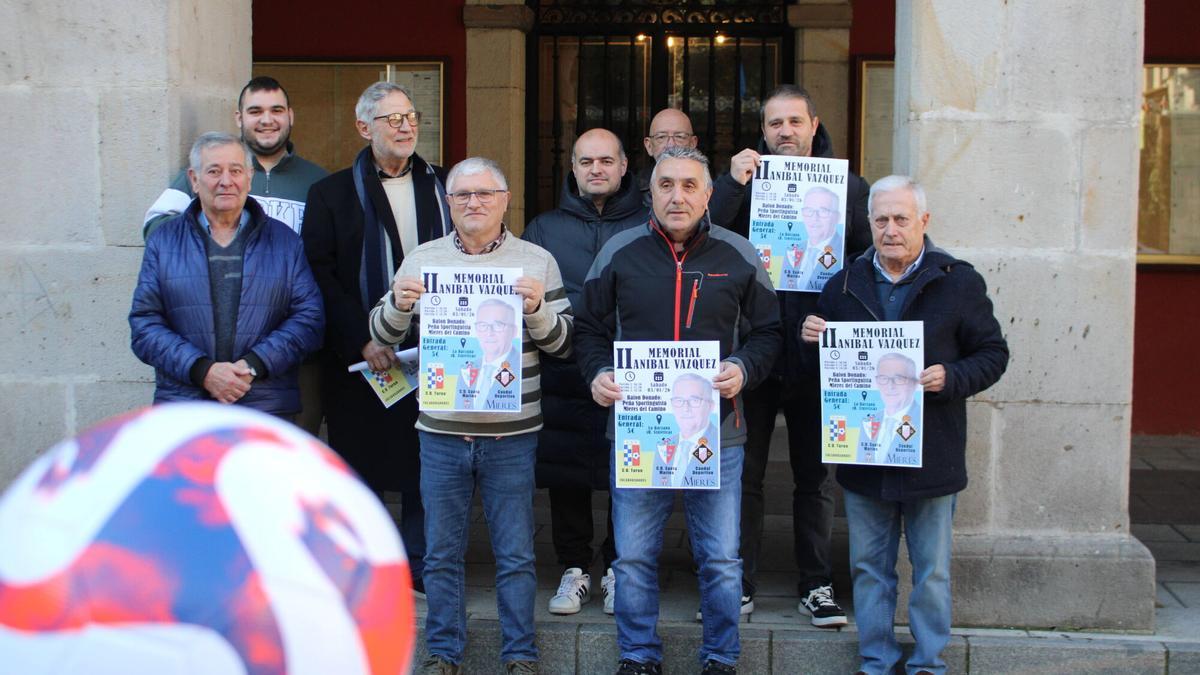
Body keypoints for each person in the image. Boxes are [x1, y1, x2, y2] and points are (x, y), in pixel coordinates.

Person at [575, 145, 781, 675]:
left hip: (719, 433)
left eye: (690, 185)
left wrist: (744, 367)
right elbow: (589, 329)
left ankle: (721, 657)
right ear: (650, 193)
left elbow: (769, 332)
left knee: (721, 558)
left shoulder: (739, 253)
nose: (677, 196)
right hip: (639, 431)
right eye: (666, 185)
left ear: (709, 194)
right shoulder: (620, 251)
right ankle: (638, 655)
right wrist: (597, 372)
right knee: (633, 557)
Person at [369, 157, 573, 675]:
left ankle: (520, 654)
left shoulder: (536, 261)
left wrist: (538, 311)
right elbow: (382, 334)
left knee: (515, 554)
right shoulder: (423, 258)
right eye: (462, 195)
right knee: (440, 553)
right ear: (448, 203)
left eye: (485, 193)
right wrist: (398, 305)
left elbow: (565, 345)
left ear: (506, 201)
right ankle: (443, 653)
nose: (474, 203)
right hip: (441, 433)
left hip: (512, 435)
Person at [800, 175, 1009, 675]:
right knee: (869, 569)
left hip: (931, 455)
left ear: (923, 221)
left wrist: (952, 376)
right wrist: (809, 341)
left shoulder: (958, 281)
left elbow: (993, 354)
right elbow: (818, 377)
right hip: (865, 455)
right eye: (881, 220)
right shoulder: (842, 285)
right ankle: (876, 660)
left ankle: (929, 665)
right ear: (868, 223)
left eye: (901, 219)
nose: (890, 230)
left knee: (931, 572)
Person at [708, 84, 871, 624]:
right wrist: (731, 184)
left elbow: (866, 266)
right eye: (775, 123)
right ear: (763, 130)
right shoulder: (745, 182)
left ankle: (816, 584)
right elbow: (709, 237)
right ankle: (740, 581)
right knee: (745, 474)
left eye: (795, 121)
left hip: (817, 353)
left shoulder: (848, 187)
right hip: (754, 349)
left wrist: (840, 324)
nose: (785, 131)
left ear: (813, 124)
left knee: (815, 478)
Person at [301, 81, 452, 599]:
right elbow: (320, 276)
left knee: (426, 460)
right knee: (363, 461)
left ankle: (420, 562)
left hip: (435, 349)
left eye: (411, 116)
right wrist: (362, 339)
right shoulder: (331, 194)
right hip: (362, 356)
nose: (406, 126)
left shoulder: (445, 185)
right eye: (393, 119)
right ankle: (369, 562)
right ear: (364, 128)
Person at [142, 76, 330, 435]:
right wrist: (204, 247)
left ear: (290, 115)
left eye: (276, 110)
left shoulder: (317, 182)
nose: (267, 119)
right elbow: (156, 225)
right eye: (255, 111)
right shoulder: (208, 171)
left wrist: (256, 363)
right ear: (239, 118)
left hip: (282, 364)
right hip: (194, 377)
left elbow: (316, 290)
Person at [523, 128, 647, 617]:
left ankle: (618, 567)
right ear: (572, 169)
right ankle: (574, 567)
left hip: (630, 368)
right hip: (564, 365)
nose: (597, 169)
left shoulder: (648, 220)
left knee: (627, 469)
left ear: (623, 167)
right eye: (586, 162)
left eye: (606, 161)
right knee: (566, 471)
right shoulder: (544, 228)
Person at [653, 374, 720, 489]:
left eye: (694, 400)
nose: (685, 408)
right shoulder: (663, 446)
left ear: (711, 406)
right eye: (679, 400)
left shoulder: (719, 444)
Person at [454, 299, 522, 410]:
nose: (489, 333)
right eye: (482, 325)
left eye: (498, 325)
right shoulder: (467, 370)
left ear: (514, 331)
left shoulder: (521, 366)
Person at [781, 186, 844, 291]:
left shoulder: (844, 252)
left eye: (823, 211)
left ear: (837, 217)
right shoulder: (792, 252)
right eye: (809, 210)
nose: (814, 218)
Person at [636, 109, 698, 205]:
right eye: (661, 137)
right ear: (649, 146)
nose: (671, 145)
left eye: (679, 136)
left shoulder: (708, 187)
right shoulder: (634, 192)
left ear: (692, 143)